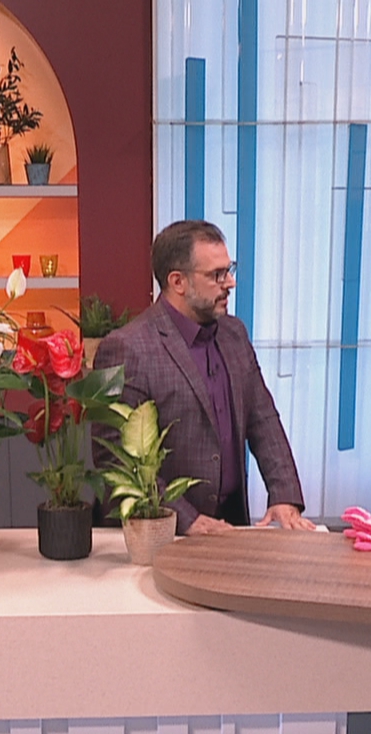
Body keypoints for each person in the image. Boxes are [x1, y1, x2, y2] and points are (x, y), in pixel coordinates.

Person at [93, 220, 315, 533]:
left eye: (229, 270)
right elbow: (116, 458)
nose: (230, 283)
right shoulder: (127, 348)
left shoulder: (234, 333)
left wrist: (284, 495)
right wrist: (186, 520)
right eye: (216, 275)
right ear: (178, 282)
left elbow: (263, 419)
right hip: (161, 532)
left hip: (231, 526)